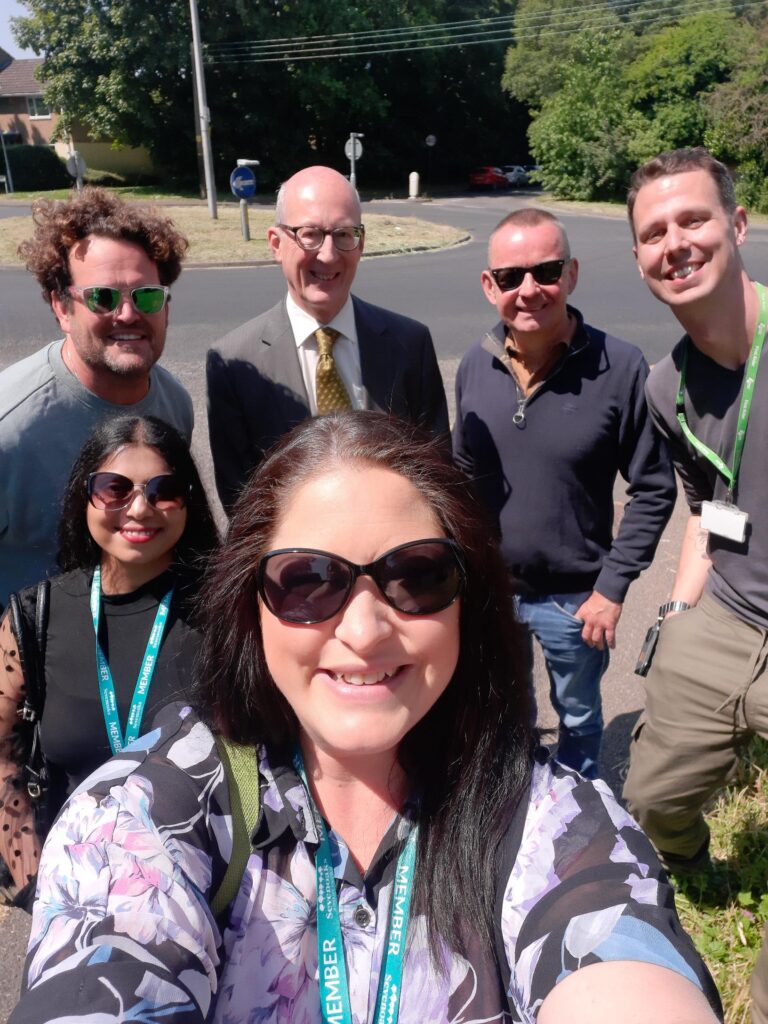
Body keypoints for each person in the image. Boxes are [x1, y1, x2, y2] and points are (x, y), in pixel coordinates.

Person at [11, 412, 721, 1024]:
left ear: (467, 603)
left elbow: (616, 953)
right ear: (248, 609)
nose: (365, 629)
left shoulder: (549, 821)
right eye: (307, 581)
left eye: (417, 575)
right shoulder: (144, 814)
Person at [622, 147, 768, 1024]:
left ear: (738, 225)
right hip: (730, 611)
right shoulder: (665, 387)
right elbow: (709, 505)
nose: (674, 243)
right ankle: (699, 870)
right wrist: (678, 612)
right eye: (653, 232)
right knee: (651, 800)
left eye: (693, 220)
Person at [453, 209, 676, 778]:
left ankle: (580, 804)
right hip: (491, 591)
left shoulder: (620, 367)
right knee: (507, 710)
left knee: (577, 715)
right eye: (510, 277)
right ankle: (524, 799)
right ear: (488, 286)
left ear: (571, 274)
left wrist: (612, 586)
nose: (529, 290)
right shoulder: (476, 365)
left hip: (577, 602)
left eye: (546, 271)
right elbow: (459, 475)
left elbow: (652, 489)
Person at [0, 415, 217, 904]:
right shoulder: (34, 617)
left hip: (206, 895)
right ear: (84, 496)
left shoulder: (228, 613)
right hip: (75, 900)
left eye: (164, 490)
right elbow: (4, 753)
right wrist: (36, 885)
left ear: (188, 502)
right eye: (114, 488)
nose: (139, 508)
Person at [206, 164, 448, 513]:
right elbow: (240, 502)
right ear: (276, 243)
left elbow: (437, 478)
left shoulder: (410, 345)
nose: (329, 254)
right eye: (310, 234)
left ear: (361, 242)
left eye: (343, 234)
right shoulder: (234, 364)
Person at [0, 187, 193, 604]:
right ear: (61, 308)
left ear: (166, 307)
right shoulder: (9, 430)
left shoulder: (175, 406)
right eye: (102, 298)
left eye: (146, 296)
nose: (127, 314)